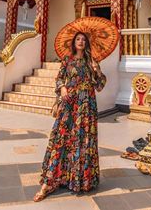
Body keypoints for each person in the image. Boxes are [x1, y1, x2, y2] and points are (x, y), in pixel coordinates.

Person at [33, 31, 106, 202]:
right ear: (74, 43)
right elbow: (59, 79)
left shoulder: (92, 62)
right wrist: (63, 88)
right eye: (78, 39)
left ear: (87, 43)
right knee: (62, 139)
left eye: (83, 40)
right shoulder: (67, 60)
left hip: (87, 105)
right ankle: (48, 182)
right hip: (69, 103)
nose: (81, 41)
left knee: (83, 140)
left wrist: (97, 72)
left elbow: (100, 86)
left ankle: (80, 179)